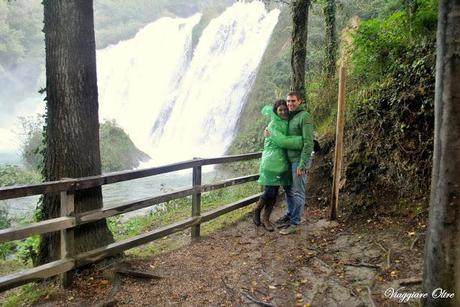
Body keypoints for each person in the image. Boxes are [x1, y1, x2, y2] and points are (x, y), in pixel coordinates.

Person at [253, 99, 303, 231]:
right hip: (271, 163)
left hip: (283, 163)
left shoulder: (288, 122)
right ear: (275, 111)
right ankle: (257, 211)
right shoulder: (273, 125)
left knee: (275, 193)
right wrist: (303, 140)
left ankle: (266, 219)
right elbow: (282, 141)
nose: (283, 112)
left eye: (285, 109)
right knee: (269, 192)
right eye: (280, 110)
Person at [270, 91, 314, 235]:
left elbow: (308, 142)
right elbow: (277, 124)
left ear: (300, 101)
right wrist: (267, 129)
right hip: (289, 161)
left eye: (293, 101)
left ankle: (295, 222)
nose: (290, 104)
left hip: (299, 160)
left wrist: (302, 164)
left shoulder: (304, 116)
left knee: (298, 192)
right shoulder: (289, 117)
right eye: (288, 101)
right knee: (288, 190)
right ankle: (290, 215)